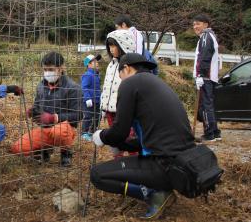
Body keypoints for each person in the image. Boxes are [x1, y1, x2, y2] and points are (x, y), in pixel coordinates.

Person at [91, 53, 196, 220]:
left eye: (120, 76)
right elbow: (148, 140)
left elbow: (119, 131)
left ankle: (154, 195)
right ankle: (161, 188)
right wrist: (123, 145)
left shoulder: (130, 83)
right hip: (183, 165)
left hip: (164, 165)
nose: (121, 80)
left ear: (126, 68)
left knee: (97, 175)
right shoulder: (157, 84)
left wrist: (101, 136)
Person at [10, 51, 82, 167]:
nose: (47, 73)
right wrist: (32, 110)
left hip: (64, 128)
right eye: (45, 69)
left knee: (59, 132)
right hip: (45, 129)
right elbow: (37, 105)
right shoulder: (41, 86)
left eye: (51, 69)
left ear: (61, 68)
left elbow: (78, 115)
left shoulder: (73, 87)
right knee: (18, 148)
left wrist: (55, 118)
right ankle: (44, 150)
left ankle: (66, 153)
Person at [100, 30, 135, 157]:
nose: (111, 48)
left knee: (130, 139)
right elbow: (106, 87)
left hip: (124, 112)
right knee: (114, 140)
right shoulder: (111, 64)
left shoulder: (130, 66)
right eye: (109, 45)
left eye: (114, 45)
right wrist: (103, 107)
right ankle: (119, 164)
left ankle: (135, 164)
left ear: (123, 45)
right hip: (110, 111)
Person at [192, 14, 221, 143]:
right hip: (209, 76)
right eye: (194, 24)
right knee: (209, 105)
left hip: (206, 76)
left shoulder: (206, 37)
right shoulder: (210, 36)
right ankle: (215, 132)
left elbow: (204, 57)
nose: (195, 26)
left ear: (205, 24)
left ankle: (209, 134)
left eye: (198, 24)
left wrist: (200, 75)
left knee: (204, 106)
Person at [80, 54, 102, 141]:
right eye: (94, 62)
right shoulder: (87, 75)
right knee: (88, 116)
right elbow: (84, 87)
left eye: (97, 61)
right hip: (89, 101)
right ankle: (84, 133)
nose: (97, 63)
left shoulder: (96, 75)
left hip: (97, 100)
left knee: (98, 116)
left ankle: (92, 131)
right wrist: (87, 98)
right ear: (88, 64)